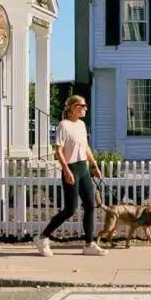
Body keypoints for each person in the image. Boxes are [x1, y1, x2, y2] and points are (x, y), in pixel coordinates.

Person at [34, 94, 106, 256]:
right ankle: (42, 237)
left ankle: (89, 244)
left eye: (85, 106)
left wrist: (94, 165)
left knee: (90, 206)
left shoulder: (81, 125)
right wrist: (66, 170)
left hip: (84, 168)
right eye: (82, 106)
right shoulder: (63, 126)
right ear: (72, 107)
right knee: (70, 209)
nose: (85, 108)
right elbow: (58, 150)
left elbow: (86, 148)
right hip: (71, 169)